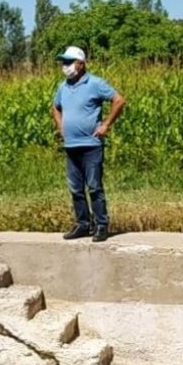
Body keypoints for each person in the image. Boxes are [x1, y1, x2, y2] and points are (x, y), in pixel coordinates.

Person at [50, 46, 126, 243]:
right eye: (63, 63)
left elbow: (118, 100)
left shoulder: (95, 83)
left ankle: (101, 225)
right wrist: (61, 127)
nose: (65, 66)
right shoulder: (63, 87)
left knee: (94, 187)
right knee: (75, 188)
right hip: (71, 145)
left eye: (69, 62)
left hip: (91, 144)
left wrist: (106, 125)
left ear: (81, 64)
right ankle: (83, 224)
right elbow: (56, 108)